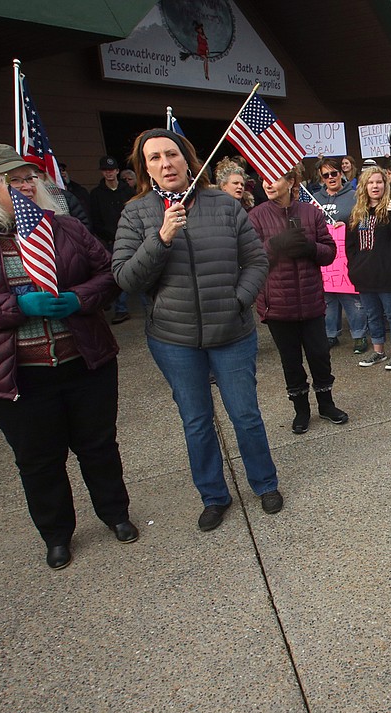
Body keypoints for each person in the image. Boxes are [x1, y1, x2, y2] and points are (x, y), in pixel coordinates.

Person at [0, 144, 135, 570]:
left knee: (98, 446)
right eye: (13, 180)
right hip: (16, 375)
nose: (25, 186)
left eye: (28, 179)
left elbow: (108, 275)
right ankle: (56, 535)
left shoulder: (65, 228)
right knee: (39, 460)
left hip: (84, 361)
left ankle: (115, 514)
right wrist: (16, 307)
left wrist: (79, 298)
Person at [111, 128, 284, 531]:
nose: (165, 163)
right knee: (196, 420)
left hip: (232, 332)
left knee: (245, 414)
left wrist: (238, 300)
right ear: (145, 169)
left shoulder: (224, 205)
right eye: (154, 158)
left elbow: (257, 261)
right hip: (174, 340)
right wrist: (162, 237)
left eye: (171, 154)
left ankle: (265, 483)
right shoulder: (136, 214)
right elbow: (126, 279)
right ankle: (214, 496)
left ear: (188, 159)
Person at [248, 164, 349, 434]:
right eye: (264, 178)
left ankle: (326, 405)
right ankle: (301, 411)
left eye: (274, 177)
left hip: (312, 301)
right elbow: (250, 258)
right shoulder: (255, 216)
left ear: (291, 181)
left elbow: (329, 252)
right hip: (278, 305)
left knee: (319, 355)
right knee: (291, 362)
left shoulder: (311, 213)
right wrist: (275, 244)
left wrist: (310, 247)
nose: (267, 183)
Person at [346, 165, 391, 371]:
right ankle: (378, 351)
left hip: (390, 275)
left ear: (386, 185)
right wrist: (355, 268)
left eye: (379, 182)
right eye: (371, 182)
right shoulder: (357, 214)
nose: (375, 186)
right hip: (365, 276)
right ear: (364, 186)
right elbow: (351, 247)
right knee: (372, 315)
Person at [315, 157, 367, 352]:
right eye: (326, 175)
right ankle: (330, 334)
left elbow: (364, 222)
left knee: (352, 300)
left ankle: (359, 335)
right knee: (327, 299)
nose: (330, 178)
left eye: (334, 173)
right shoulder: (315, 198)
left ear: (341, 173)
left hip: (348, 256)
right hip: (325, 258)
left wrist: (348, 227)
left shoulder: (354, 196)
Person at [88, 156, 133, 324]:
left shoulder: (128, 191)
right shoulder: (96, 194)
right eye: (105, 170)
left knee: (142, 271)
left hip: (133, 238)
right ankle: (121, 309)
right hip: (112, 241)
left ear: (117, 171)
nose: (109, 173)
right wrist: (109, 237)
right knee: (118, 275)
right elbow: (96, 220)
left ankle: (150, 307)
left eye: (112, 170)